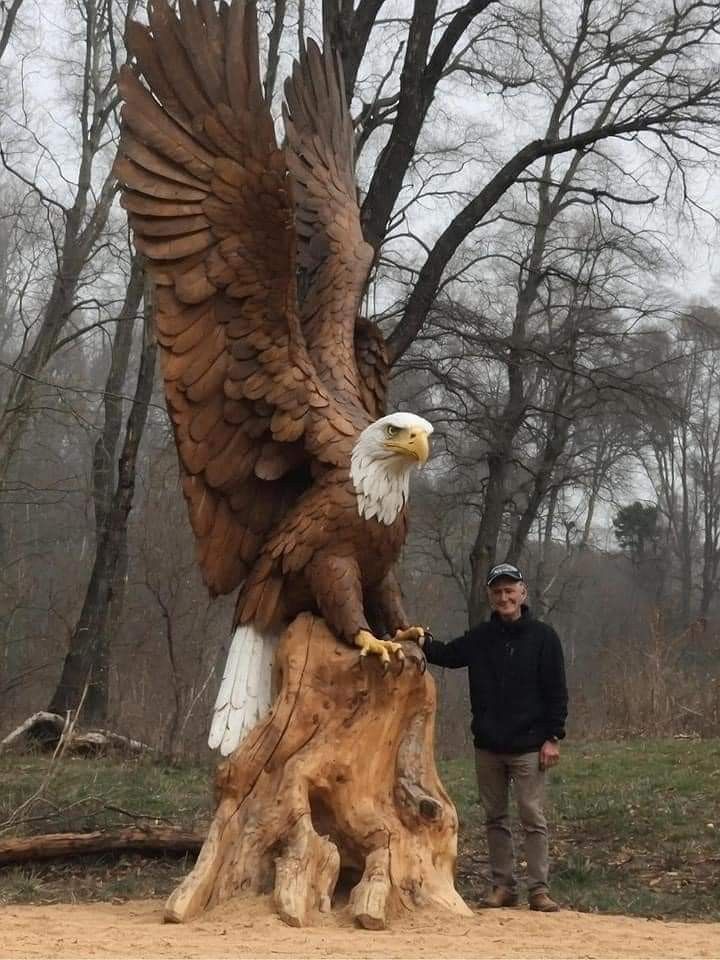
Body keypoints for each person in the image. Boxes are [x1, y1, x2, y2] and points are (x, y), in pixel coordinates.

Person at [422, 562, 568, 912]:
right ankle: (503, 886)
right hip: (488, 745)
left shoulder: (544, 637)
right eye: (498, 592)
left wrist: (553, 737)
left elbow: (557, 691)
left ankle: (539, 890)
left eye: (510, 590)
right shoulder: (480, 638)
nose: (504, 597)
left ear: (523, 593)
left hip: (530, 745)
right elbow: (447, 655)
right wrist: (419, 640)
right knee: (495, 818)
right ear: (490, 596)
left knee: (532, 817)